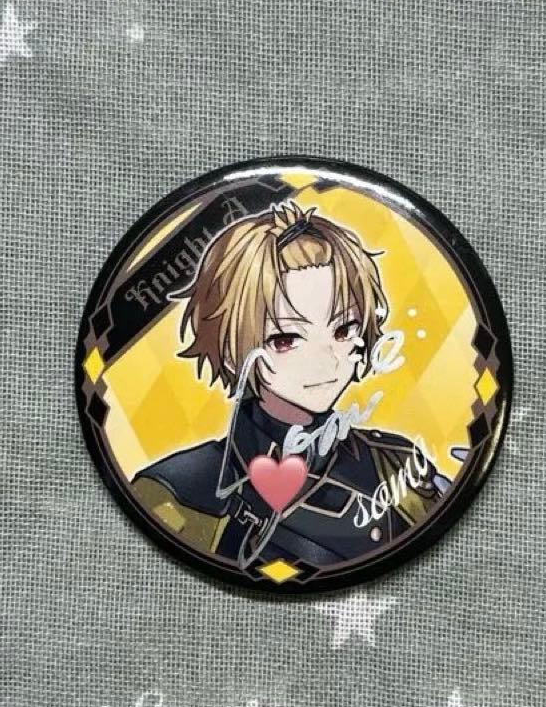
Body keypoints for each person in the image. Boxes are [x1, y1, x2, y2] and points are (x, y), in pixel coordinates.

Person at [129, 199, 447, 573]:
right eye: (285, 339)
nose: (326, 361)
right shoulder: (178, 491)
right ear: (232, 351)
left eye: (344, 330)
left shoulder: (397, 463)